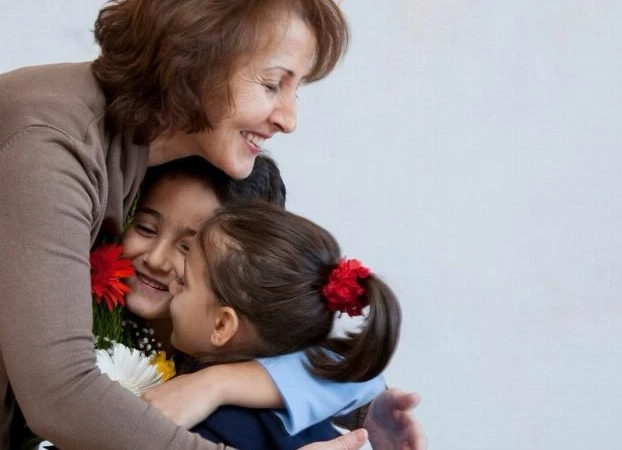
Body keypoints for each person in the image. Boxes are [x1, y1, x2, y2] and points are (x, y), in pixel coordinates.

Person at [0, 0, 385, 448]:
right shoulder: (48, 148)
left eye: (296, 90)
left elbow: (279, 317)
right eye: (273, 85)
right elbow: (63, 396)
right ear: (197, 60)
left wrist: (234, 387)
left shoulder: (147, 160)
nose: (289, 119)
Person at [120, 155, 426, 449]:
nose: (157, 260)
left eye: (188, 248)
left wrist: (214, 384)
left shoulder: (215, 414)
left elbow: (346, 375)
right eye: (145, 228)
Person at [165, 201, 400, 449]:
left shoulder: (196, 423)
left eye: (183, 282)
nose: (172, 287)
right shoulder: (313, 415)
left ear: (222, 325)